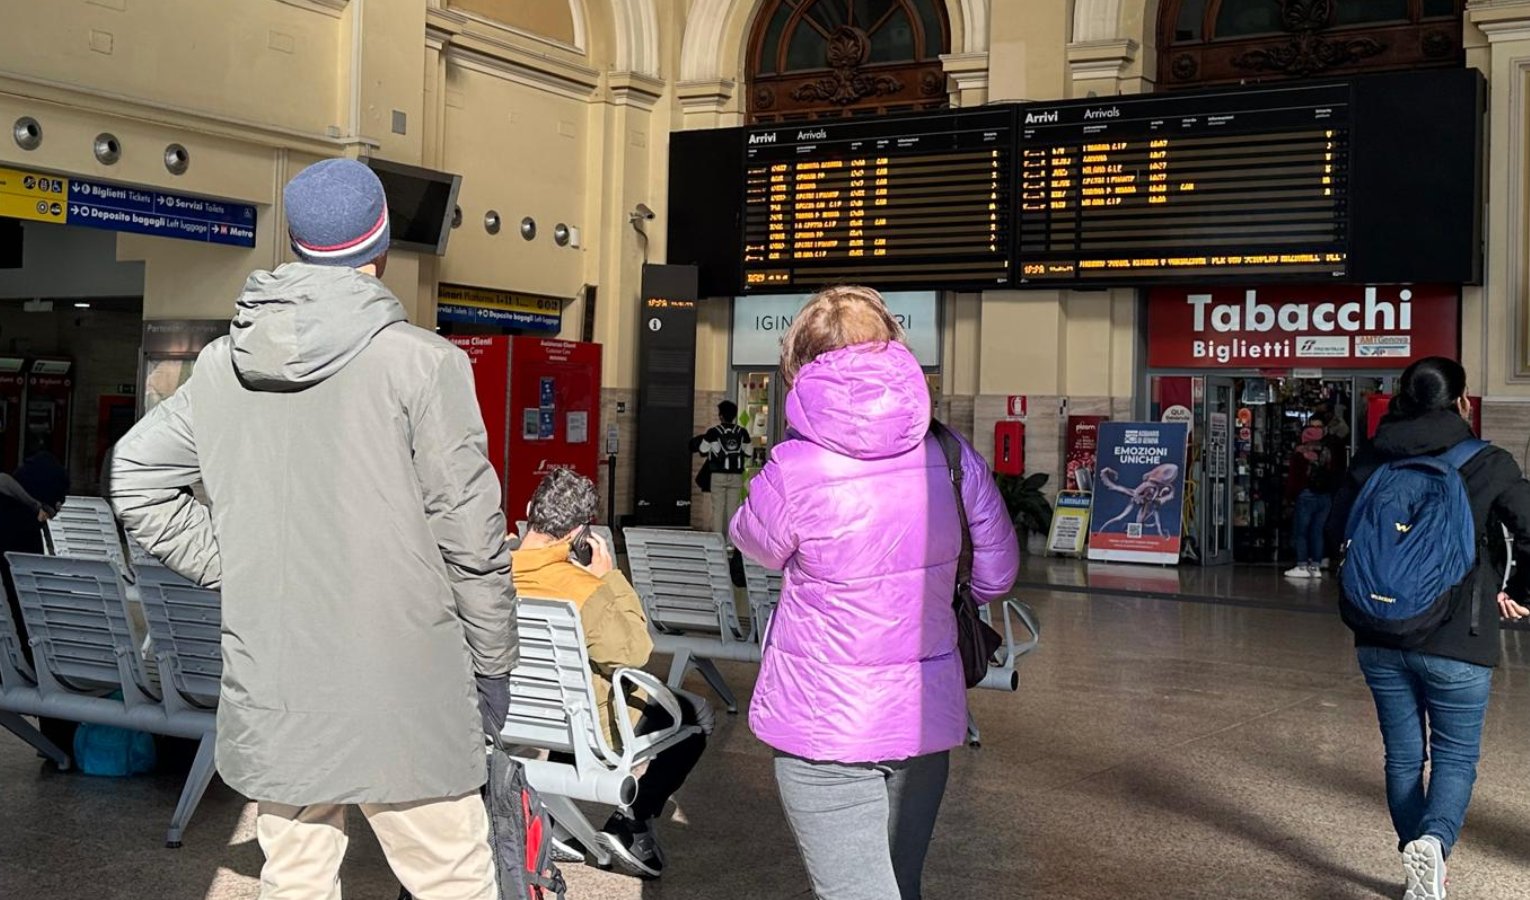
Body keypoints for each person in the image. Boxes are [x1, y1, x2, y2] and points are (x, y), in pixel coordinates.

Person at [109, 159, 515, 899]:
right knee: (454, 879)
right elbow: (472, 538)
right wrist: (492, 664)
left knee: (293, 878)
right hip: (409, 686)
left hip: (277, 680)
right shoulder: (424, 365)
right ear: (381, 244)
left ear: (295, 244)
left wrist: (241, 563)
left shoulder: (223, 366)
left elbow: (135, 475)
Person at [730, 286, 1020, 900]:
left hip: (823, 725)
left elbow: (754, 544)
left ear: (799, 363)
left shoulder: (794, 467)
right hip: (922, 718)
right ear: (894, 345)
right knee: (899, 885)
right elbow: (995, 577)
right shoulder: (950, 454)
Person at [1325, 356, 1530, 900]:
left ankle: (1420, 860)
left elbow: (1334, 532)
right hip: (1460, 639)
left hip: (1379, 632)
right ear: (1462, 401)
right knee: (1456, 756)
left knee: (1402, 756)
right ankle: (1434, 845)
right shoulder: (1489, 462)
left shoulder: (1373, 458)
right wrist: (1515, 591)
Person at [511, 469, 711, 879]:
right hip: (583, 723)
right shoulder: (582, 588)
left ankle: (558, 820)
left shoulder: (491, 573)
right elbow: (635, 652)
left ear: (530, 511)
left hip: (512, 715)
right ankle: (632, 822)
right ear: (579, 534)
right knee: (696, 715)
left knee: (575, 689)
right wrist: (609, 578)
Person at [0, 453, 71, 753]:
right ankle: (60, 744)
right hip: (11, 658)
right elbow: (26, 607)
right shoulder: (22, 527)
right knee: (51, 647)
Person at [1285, 417, 1339, 579]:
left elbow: (1294, 478)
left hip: (1306, 494)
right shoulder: (1327, 452)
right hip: (1325, 496)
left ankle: (1302, 565)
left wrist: (1290, 496)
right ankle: (1316, 566)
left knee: (1301, 531)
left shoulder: (1300, 453)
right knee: (1317, 531)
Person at [696, 401, 750, 544]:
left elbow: (702, 449)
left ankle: (717, 543)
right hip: (737, 476)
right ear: (734, 415)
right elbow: (749, 452)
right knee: (732, 509)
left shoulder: (713, 432)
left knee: (718, 508)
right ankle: (731, 542)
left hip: (718, 475)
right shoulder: (742, 432)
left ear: (720, 416)